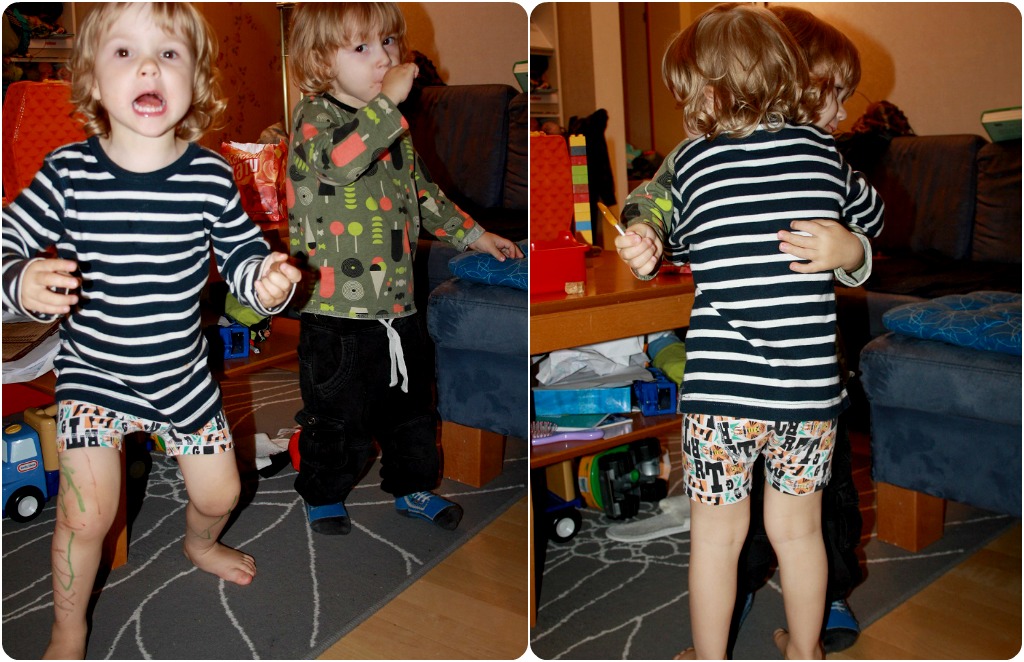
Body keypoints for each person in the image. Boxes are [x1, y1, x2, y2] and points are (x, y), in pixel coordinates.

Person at [1, 4, 302, 659]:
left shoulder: (210, 176)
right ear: (91, 79)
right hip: (94, 375)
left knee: (222, 492)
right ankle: (68, 628)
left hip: (182, 376)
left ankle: (199, 543)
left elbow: (242, 253)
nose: (148, 67)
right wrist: (18, 280)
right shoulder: (67, 172)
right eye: (124, 52)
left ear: (197, 80)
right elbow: (6, 238)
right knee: (85, 515)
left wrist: (264, 280)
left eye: (169, 54)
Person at [614, 4, 883, 659]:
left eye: (688, 98)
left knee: (715, 538)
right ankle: (805, 650)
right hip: (807, 396)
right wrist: (849, 247)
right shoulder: (823, 153)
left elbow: (668, 231)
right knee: (799, 532)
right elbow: (871, 216)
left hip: (722, 397)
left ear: (710, 93)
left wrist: (646, 241)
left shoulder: (692, 162)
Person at [284, 2, 522, 536]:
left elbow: (423, 193)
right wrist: (387, 105)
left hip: (400, 306)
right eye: (362, 47)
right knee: (337, 416)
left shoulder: (393, 129)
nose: (383, 57)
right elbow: (339, 164)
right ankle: (324, 492)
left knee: (412, 412)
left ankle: (412, 487)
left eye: (389, 41)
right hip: (335, 314)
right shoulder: (315, 119)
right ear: (321, 61)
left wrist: (475, 234)